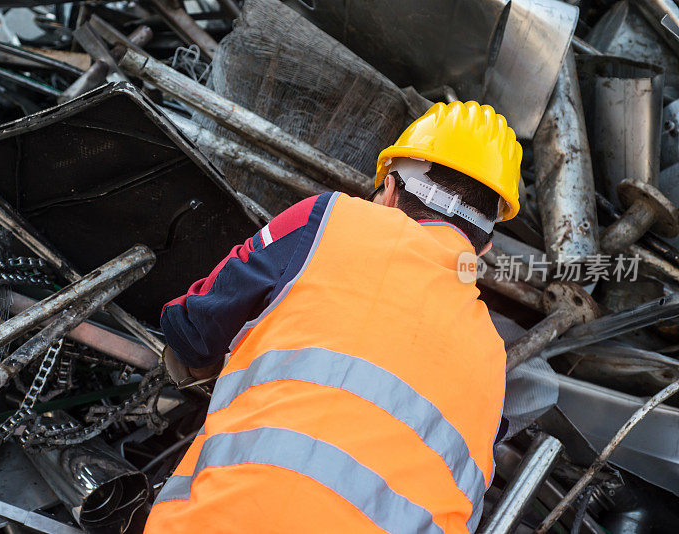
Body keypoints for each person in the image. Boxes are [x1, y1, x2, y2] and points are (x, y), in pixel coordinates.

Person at [146, 100, 522, 533]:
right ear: (484, 248)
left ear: (393, 190)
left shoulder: (331, 218)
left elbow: (192, 332)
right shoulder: (493, 362)